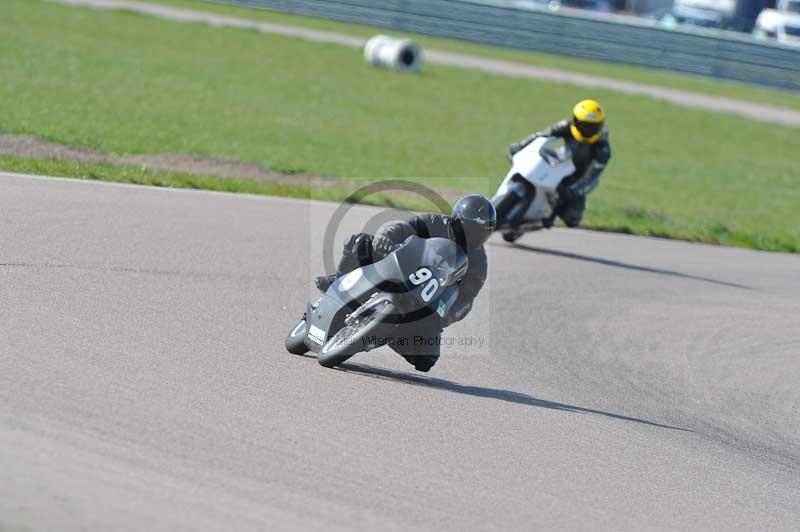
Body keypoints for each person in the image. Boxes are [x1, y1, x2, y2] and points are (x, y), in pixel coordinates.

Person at [315, 194, 496, 372]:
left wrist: (446, 317)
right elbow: (401, 228)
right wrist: (384, 238)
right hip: (400, 266)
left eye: (479, 232)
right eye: (467, 228)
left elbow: (466, 300)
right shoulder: (434, 222)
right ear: (456, 219)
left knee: (426, 360)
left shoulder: (478, 264)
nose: (471, 236)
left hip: (426, 301)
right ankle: (338, 280)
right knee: (361, 241)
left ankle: (389, 333)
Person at [507, 99, 611, 228]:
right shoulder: (566, 126)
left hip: (577, 179)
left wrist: (575, 190)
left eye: (592, 127)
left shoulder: (602, 147)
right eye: (584, 125)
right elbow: (541, 136)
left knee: (572, 218)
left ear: (600, 126)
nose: (587, 130)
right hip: (560, 165)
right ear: (575, 120)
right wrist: (520, 146)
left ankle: (546, 219)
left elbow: (593, 176)